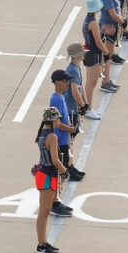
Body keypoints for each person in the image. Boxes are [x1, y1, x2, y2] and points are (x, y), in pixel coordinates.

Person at [34, 105, 68, 253]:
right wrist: (65, 170)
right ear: (54, 119)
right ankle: (41, 245)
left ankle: (43, 242)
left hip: (42, 173)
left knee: (44, 211)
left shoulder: (42, 133)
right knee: (44, 211)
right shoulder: (52, 137)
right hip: (48, 174)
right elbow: (55, 160)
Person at [48, 69, 79, 212]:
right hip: (59, 141)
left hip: (63, 140)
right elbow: (57, 124)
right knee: (57, 172)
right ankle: (54, 202)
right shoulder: (55, 99)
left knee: (60, 173)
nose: (68, 83)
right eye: (65, 81)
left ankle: (56, 200)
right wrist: (71, 129)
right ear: (56, 82)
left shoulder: (61, 96)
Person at [81, 0, 110, 116]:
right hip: (94, 54)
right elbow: (98, 41)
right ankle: (88, 109)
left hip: (89, 52)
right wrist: (106, 52)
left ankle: (86, 106)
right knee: (91, 84)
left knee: (89, 83)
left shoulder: (87, 19)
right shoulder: (93, 22)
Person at [63, 44, 90, 173]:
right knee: (70, 139)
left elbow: (81, 87)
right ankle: (69, 166)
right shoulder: (72, 70)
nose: (85, 54)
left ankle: (70, 164)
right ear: (78, 56)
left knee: (71, 138)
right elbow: (74, 91)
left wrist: (85, 102)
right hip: (69, 110)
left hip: (73, 108)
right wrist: (83, 104)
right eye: (83, 53)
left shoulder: (76, 68)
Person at [98, 0, 127, 71]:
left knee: (110, 50)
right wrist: (122, 21)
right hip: (109, 26)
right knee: (108, 55)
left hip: (110, 25)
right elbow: (113, 14)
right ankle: (105, 80)